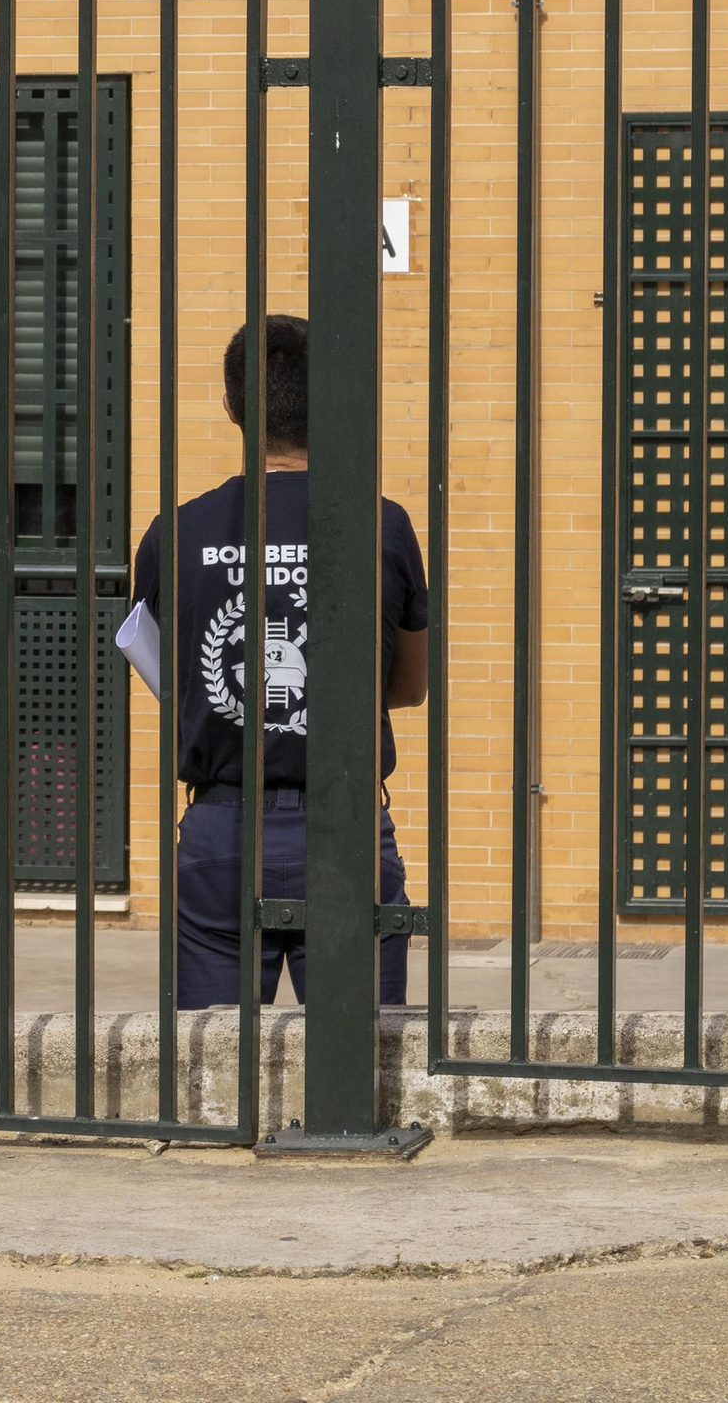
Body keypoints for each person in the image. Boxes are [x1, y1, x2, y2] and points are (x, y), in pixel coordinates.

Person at [130, 314, 427, 1008]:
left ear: (231, 407)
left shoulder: (176, 533)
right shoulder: (380, 525)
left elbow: (168, 679)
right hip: (346, 820)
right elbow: (408, 687)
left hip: (223, 827)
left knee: (215, 1070)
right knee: (361, 1075)